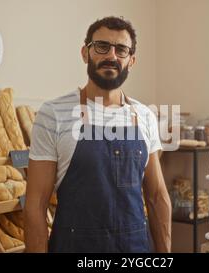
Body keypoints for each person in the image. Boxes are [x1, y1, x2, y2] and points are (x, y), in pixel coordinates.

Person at [25, 16, 171, 253]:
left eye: (121, 50)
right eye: (102, 46)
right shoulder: (53, 114)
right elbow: (35, 205)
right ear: (85, 53)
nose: (111, 56)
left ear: (131, 60)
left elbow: (157, 197)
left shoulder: (145, 116)